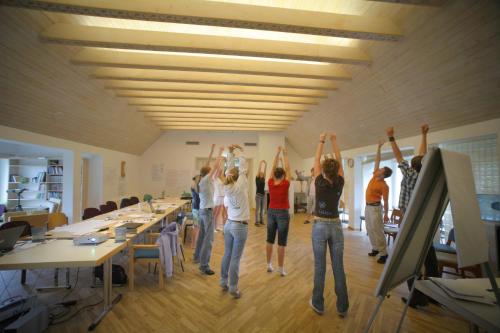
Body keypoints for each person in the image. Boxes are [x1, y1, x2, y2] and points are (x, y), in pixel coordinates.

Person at [387, 124, 438, 308]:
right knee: (430, 257)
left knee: (410, 258)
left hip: (411, 220)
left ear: (413, 166)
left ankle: (416, 297)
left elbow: (399, 156)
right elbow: (422, 157)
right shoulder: (427, 176)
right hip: (427, 220)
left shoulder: (410, 175)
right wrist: (423, 135)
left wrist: (391, 138)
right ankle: (435, 295)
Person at [309, 133, 348, 317]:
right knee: (338, 266)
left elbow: (316, 158)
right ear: (337, 170)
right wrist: (334, 140)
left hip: (319, 226)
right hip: (337, 227)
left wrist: (321, 140)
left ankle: (318, 303)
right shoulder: (340, 181)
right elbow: (339, 159)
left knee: (320, 266)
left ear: (323, 171)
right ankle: (342, 306)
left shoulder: (319, 182)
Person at [220, 144, 249, 299]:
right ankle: (233, 288)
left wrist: (231, 153)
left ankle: (223, 281)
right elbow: (242, 169)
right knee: (235, 258)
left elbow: (229, 171)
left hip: (229, 225)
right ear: (239, 178)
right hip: (240, 227)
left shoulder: (227, 188)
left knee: (227, 254)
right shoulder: (241, 186)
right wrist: (241, 151)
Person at [193, 144, 224, 275]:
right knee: (209, 239)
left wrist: (212, 151)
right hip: (207, 212)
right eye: (210, 171)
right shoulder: (205, 180)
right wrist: (220, 153)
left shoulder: (202, 180)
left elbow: (207, 165)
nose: (213, 172)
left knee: (201, 237)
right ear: (207, 173)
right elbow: (214, 166)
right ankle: (204, 266)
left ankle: (197, 257)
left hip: (202, 211)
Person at [365, 140, 392, 264]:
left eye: (381, 168)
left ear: (384, 173)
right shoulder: (375, 175)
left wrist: (386, 214)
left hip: (376, 208)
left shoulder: (384, 186)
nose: (379, 168)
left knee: (378, 230)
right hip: (368, 207)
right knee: (369, 228)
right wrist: (379, 147)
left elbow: (386, 201)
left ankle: (384, 253)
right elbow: (377, 160)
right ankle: (375, 248)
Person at [266, 146, 291, 276]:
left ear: (275, 175)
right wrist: (285, 154)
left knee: (269, 240)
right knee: (281, 242)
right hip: (282, 214)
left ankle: (269, 265)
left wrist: (277, 154)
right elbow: (288, 168)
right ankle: (280, 268)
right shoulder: (285, 184)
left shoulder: (270, 182)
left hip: (270, 212)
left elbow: (272, 168)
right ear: (283, 176)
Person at [255, 160, 267, 226]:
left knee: (262, 209)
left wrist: (266, 165)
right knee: (257, 209)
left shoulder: (263, 179)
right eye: (261, 173)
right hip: (258, 195)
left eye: (262, 174)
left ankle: (261, 220)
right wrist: (260, 163)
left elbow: (265, 172)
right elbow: (259, 170)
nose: (262, 174)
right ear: (259, 174)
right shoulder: (257, 178)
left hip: (263, 195)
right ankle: (256, 222)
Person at [190, 175, 201, 249]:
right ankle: (193, 244)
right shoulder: (195, 187)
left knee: (196, 227)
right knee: (196, 227)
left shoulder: (194, 187)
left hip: (196, 208)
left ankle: (194, 243)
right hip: (196, 209)